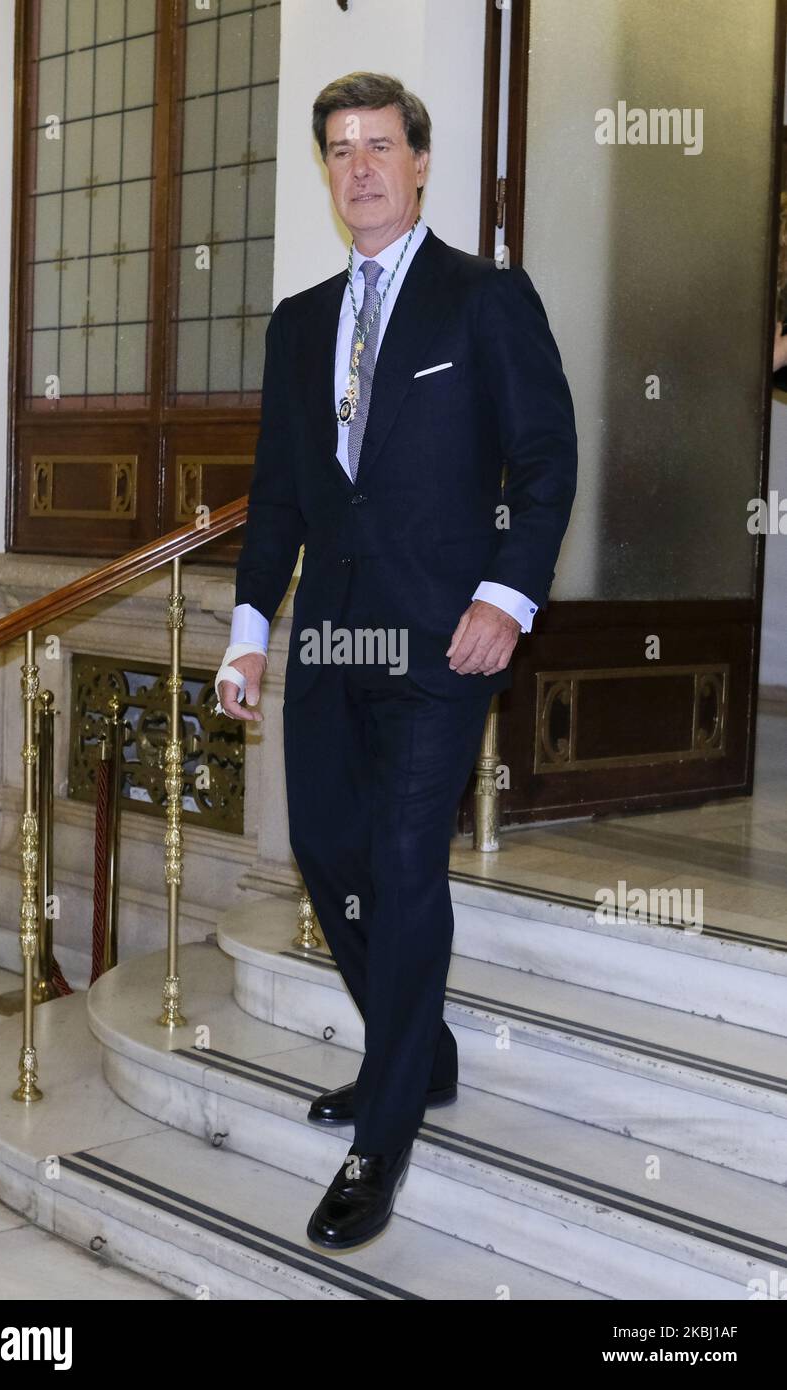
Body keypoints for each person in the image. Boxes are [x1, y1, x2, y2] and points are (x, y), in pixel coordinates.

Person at [215, 71, 577, 1251]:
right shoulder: (299, 322)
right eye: (339, 148)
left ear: (420, 163)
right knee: (326, 848)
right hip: (329, 636)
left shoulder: (484, 300)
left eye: (379, 145)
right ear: (326, 171)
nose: (359, 166)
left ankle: (384, 1128)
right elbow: (276, 497)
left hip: (442, 639)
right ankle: (421, 1054)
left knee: (406, 863)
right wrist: (251, 629)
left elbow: (544, 459)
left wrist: (507, 597)